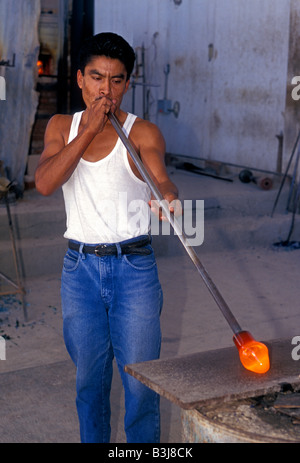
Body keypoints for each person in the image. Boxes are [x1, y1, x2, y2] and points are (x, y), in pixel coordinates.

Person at [35, 32, 179, 443]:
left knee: (140, 385)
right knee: (89, 384)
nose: (105, 88)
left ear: (127, 84)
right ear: (80, 79)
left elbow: (160, 179)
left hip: (134, 269)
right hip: (79, 271)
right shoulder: (62, 126)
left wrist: (166, 197)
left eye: (116, 80)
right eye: (97, 77)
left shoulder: (142, 131)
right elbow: (45, 182)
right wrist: (90, 130)